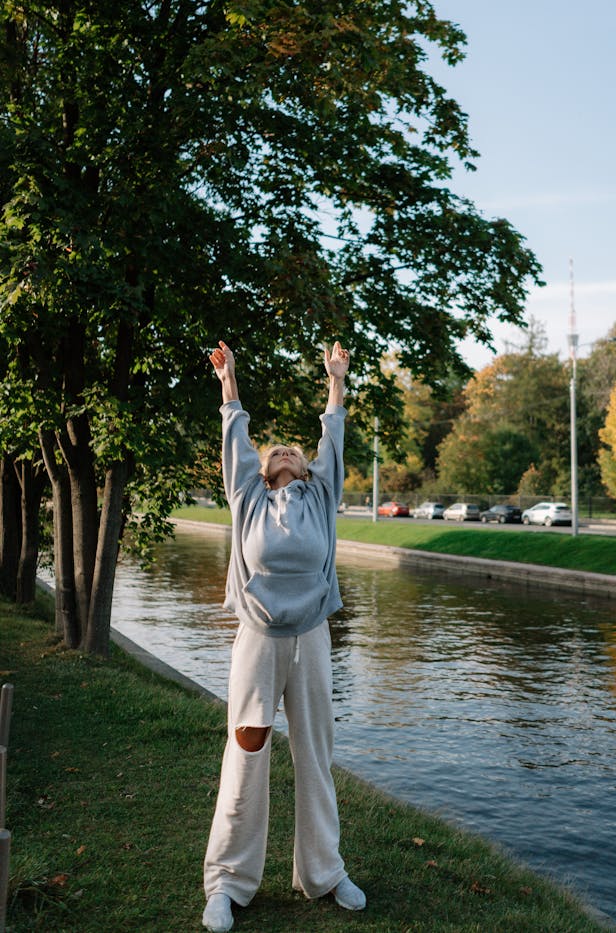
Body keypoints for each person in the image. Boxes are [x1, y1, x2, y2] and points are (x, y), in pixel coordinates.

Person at [202, 340, 366, 933]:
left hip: (313, 635)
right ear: (264, 468)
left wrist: (336, 381)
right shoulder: (248, 497)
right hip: (258, 638)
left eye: (294, 448)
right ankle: (227, 883)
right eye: (277, 450)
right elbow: (234, 435)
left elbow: (334, 437)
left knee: (316, 752)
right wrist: (229, 381)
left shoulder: (321, 497)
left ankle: (322, 873)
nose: (287, 451)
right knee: (248, 749)